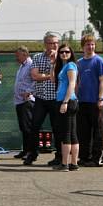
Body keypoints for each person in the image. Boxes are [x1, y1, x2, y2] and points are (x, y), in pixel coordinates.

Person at [24, 32, 62, 166]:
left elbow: (59, 76)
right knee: (34, 126)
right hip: (40, 97)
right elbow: (34, 76)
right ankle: (32, 153)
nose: (55, 45)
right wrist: (48, 76)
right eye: (52, 43)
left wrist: (49, 68)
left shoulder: (62, 57)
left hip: (56, 98)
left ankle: (59, 156)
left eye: (57, 43)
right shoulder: (38, 57)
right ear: (46, 44)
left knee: (57, 128)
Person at [76, 34, 103, 167]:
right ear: (83, 46)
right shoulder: (78, 63)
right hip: (82, 102)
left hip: (95, 102)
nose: (90, 47)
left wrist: (100, 98)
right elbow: (76, 83)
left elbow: (102, 81)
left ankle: (97, 158)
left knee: (99, 132)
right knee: (83, 132)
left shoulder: (99, 61)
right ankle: (84, 157)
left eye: (92, 44)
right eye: (88, 44)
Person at [52, 43, 79, 171]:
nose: (64, 54)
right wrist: (53, 63)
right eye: (62, 52)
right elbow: (53, 80)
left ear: (71, 53)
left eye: (67, 52)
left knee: (66, 134)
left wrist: (65, 102)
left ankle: (65, 164)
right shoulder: (63, 66)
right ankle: (73, 164)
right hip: (65, 101)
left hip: (67, 101)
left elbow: (72, 84)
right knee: (72, 134)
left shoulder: (71, 65)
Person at [12, 46, 36, 159]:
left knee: (28, 127)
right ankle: (25, 150)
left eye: (18, 55)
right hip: (19, 101)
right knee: (23, 127)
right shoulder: (22, 66)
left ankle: (30, 151)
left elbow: (35, 80)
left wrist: (29, 92)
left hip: (27, 101)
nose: (16, 57)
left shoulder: (31, 64)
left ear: (25, 54)